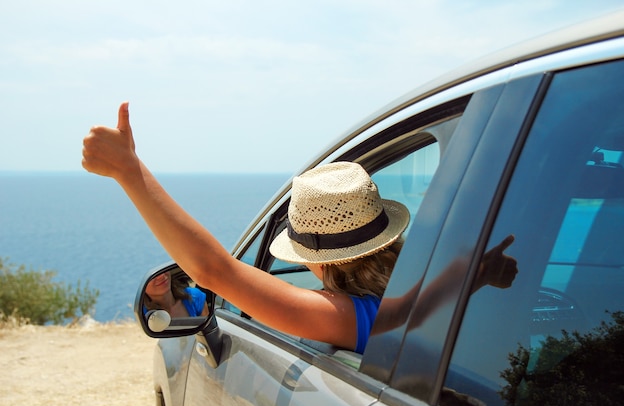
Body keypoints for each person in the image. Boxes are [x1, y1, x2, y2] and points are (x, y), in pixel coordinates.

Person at [82, 102, 410, 354]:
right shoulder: (433, 288)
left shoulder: (352, 319)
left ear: (319, 262)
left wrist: (128, 170)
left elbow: (214, 271)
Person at [144, 271, 210, 317]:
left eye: (161, 270)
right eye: (152, 275)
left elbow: (208, 331)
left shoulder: (194, 296)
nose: (161, 276)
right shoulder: (143, 315)